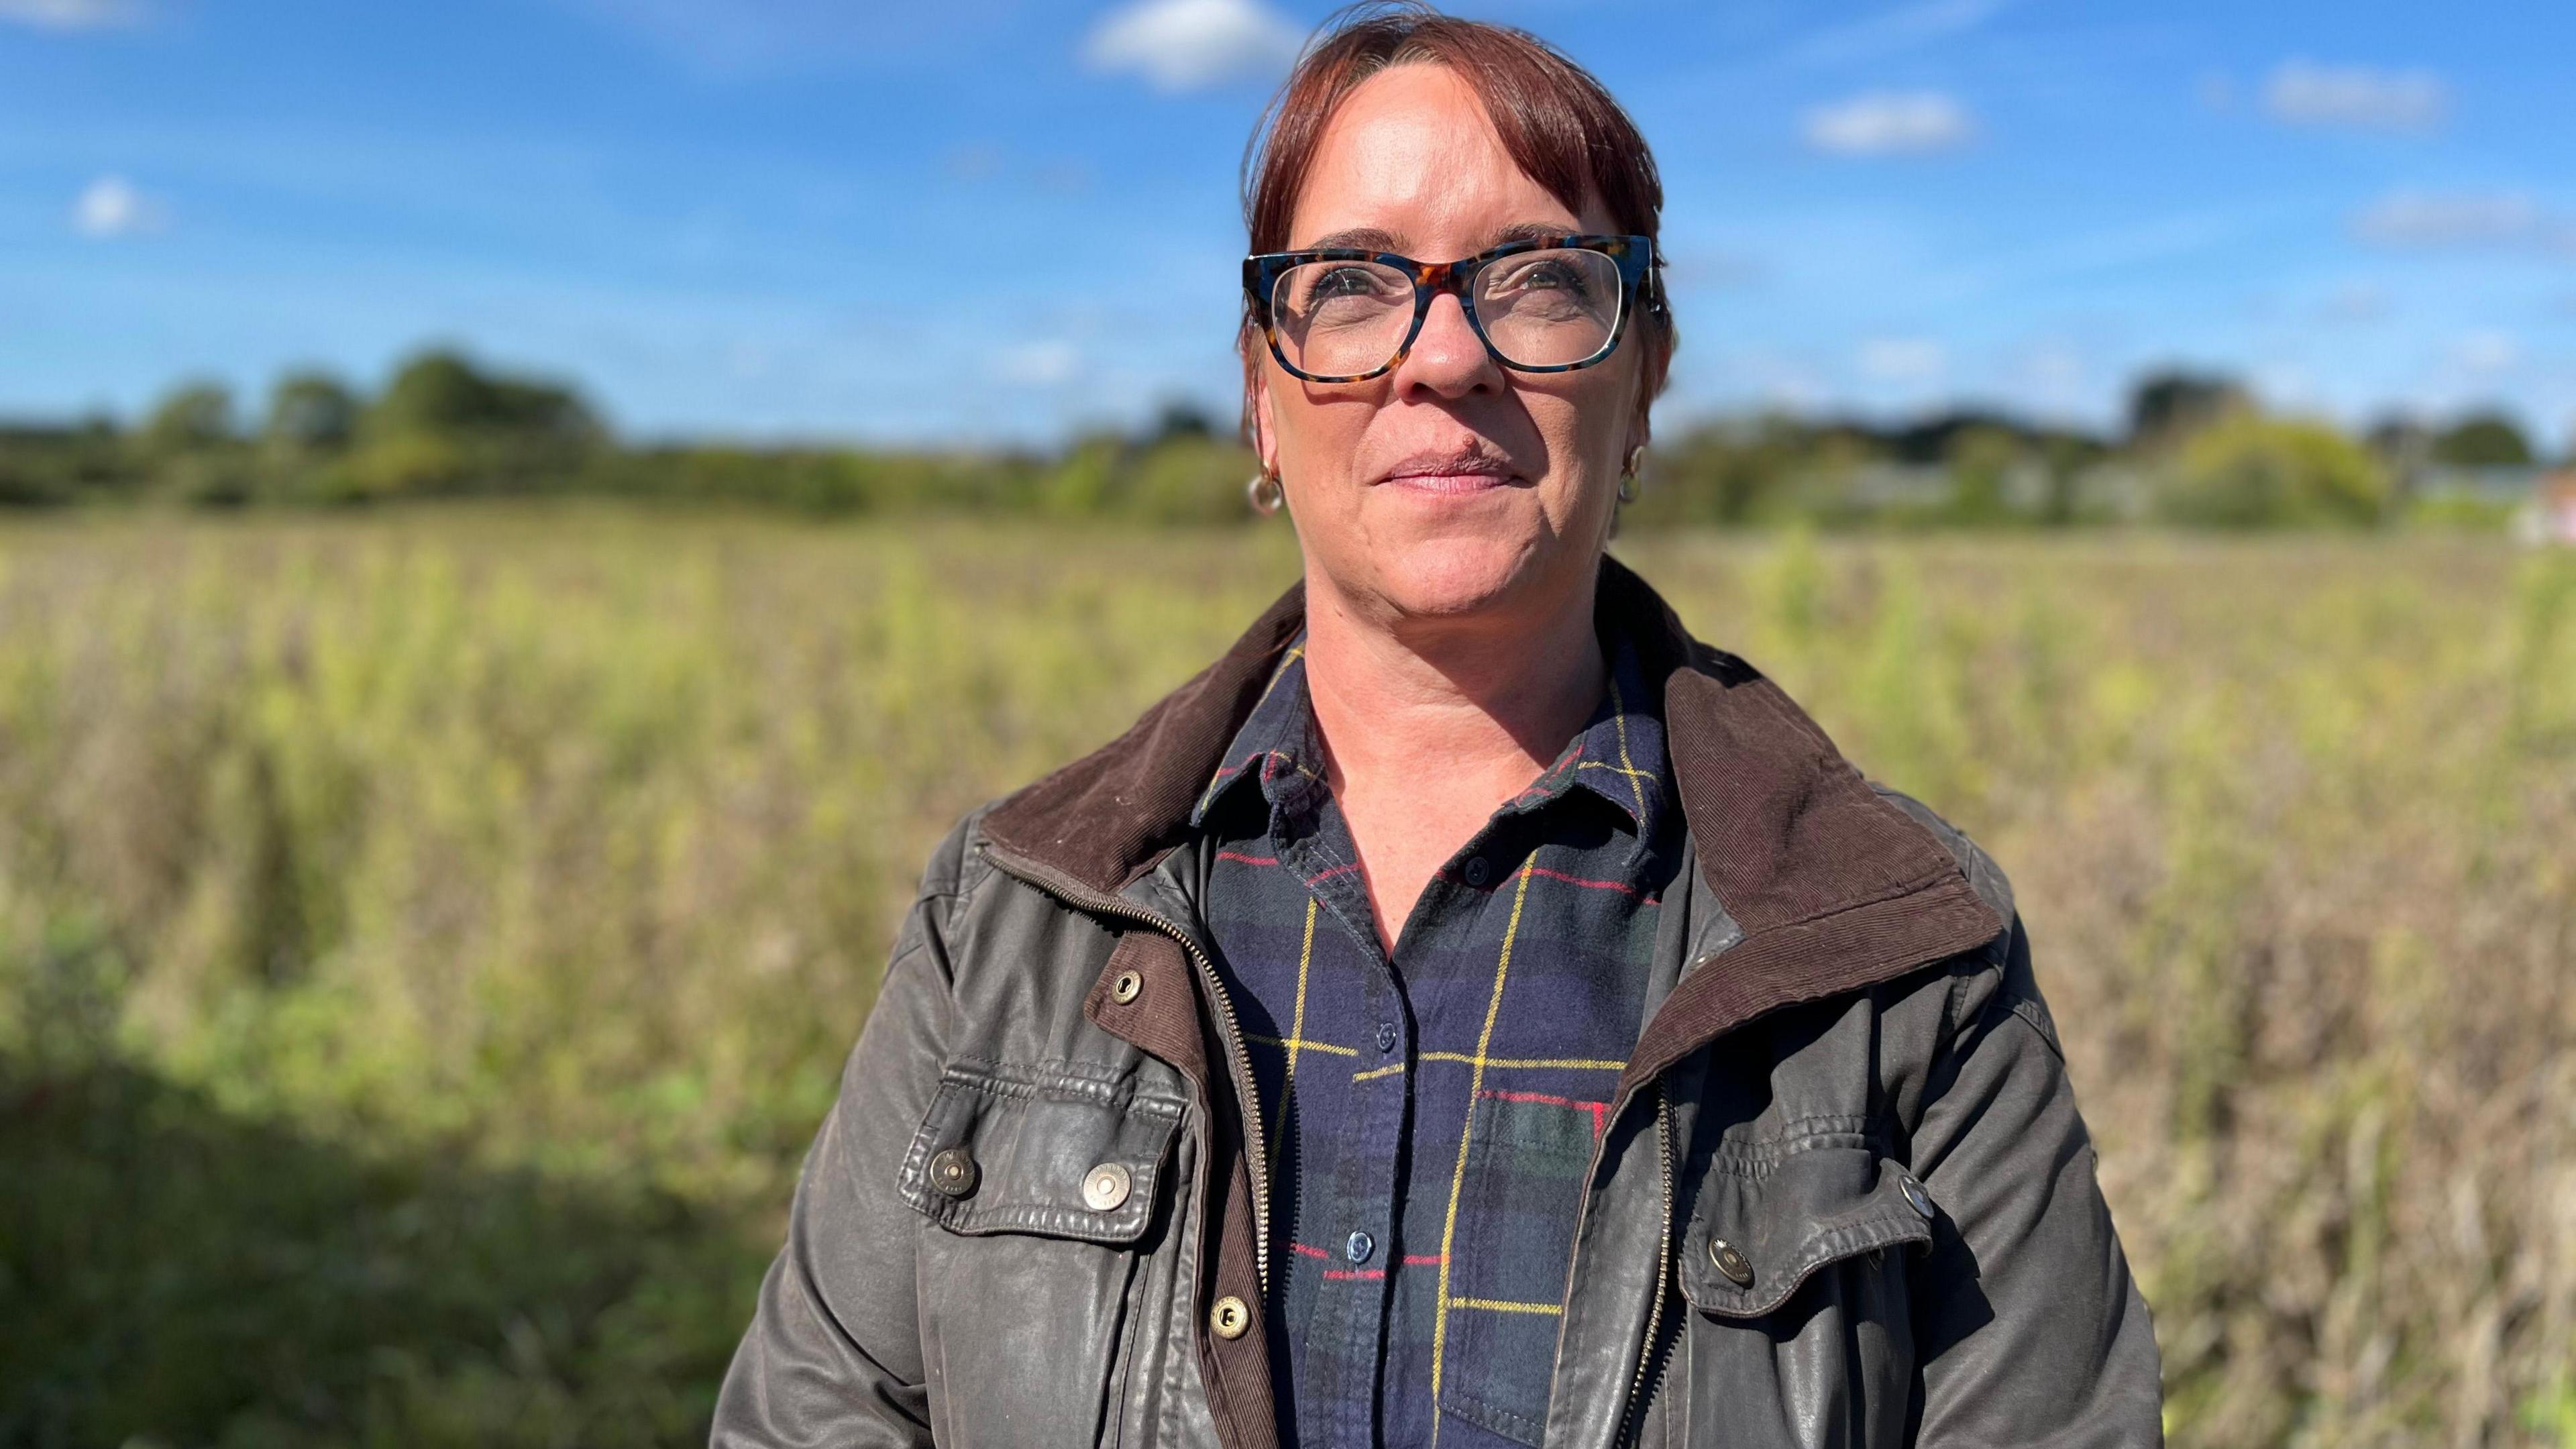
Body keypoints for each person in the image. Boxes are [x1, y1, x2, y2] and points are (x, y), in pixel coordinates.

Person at [712, 5, 2163, 1445]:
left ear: (1646, 371)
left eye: (1537, 278)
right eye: (1349, 285)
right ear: (1262, 401)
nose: (1443, 357)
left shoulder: (1899, 951)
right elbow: (816, 1415)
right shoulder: (1013, 911)